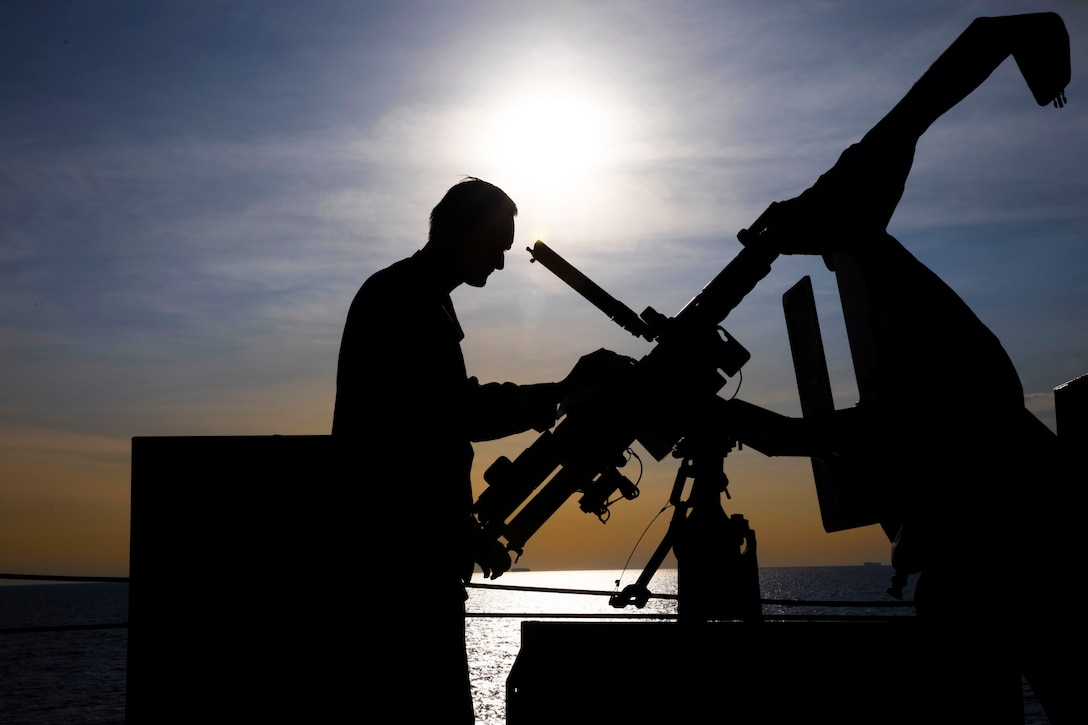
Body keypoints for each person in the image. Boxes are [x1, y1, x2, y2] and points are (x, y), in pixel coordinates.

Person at [332, 177, 616, 722]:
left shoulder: (417, 298)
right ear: (462, 233)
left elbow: (437, 424)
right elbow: (446, 421)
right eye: (496, 247)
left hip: (413, 554)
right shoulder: (404, 301)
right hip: (400, 567)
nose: (503, 264)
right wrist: (559, 394)